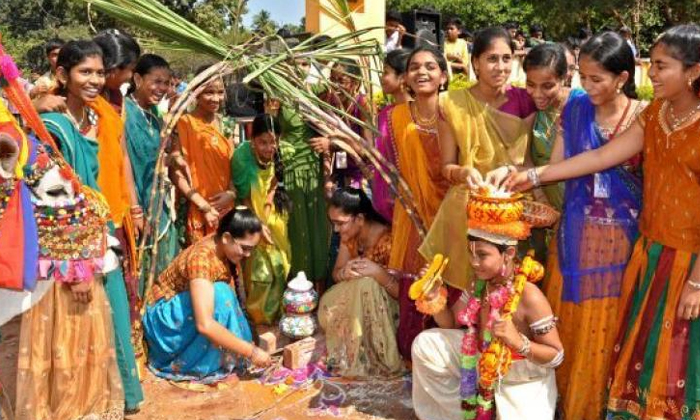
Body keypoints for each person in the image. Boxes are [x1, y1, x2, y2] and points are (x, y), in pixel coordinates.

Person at [505, 24, 700, 420]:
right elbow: (601, 157)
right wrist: (535, 176)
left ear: (693, 71)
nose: (653, 73)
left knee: (680, 358)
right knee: (641, 352)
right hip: (649, 251)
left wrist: (697, 279)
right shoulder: (657, 115)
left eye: (662, 66)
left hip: (688, 261)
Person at [524, 33, 645, 420]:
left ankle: (596, 409)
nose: (587, 87)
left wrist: (530, 176)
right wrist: (529, 180)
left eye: (597, 79)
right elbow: (558, 166)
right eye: (582, 77)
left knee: (607, 329)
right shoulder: (575, 112)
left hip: (620, 244)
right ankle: (564, 405)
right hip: (574, 239)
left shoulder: (643, 117)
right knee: (571, 325)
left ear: (622, 78)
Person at [39, 39, 144, 414]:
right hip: (71, 251)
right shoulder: (53, 126)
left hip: (101, 237)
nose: (96, 80)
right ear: (62, 75)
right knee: (77, 337)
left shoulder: (96, 118)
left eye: (100, 72)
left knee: (114, 323)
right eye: (85, 72)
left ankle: (119, 399)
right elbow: (52, 204)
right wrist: (77, 267)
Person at [412, 191, 563, 420]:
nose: (474, 262)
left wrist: (518, 342)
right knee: (427, 344)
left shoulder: (530, 296)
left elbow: (556, 356)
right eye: (470, 253)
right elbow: (452, 322)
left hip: (521, 379)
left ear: (508, 254)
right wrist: (434, 296)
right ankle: (465, 413)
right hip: (479, 360)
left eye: (482, 255)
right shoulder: (478, 284)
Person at [420, 26, 536, 293]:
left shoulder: (523, 101)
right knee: (467, 295)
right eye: (492, 59)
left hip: (509, 207)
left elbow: (527, 164)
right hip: (467, 209)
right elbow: (447, 165)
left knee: (508, 295)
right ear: (475, 63)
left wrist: (508, 169)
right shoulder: (451, 103)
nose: (500, 67)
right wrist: (463, 174)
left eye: (507, 58)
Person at [379, 46, 454, 359]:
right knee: (416, 283)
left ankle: (453, 359)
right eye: (414, 67)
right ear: (406, 78)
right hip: (411, 216)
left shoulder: (456, 114)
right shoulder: (393, 117)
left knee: (452, 283)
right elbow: (386, 171)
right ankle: (416, 360)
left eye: (430, 66)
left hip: (451, 213)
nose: (422, 72)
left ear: (443, 75)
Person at [143, 207, 271, 383]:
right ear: (226, 238)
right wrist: (251, 352)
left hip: (186, 313)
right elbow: (204, 324)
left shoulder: (222, 245)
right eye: (245, 248)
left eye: (252, 249)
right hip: (165, 325)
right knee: (220, 294)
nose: (248, 255)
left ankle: (223, 357)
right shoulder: (201, 259)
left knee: (221, 293)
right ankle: (199, 364)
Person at [318, 188, 403, 378]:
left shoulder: (389, 240)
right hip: (353, 308)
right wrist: (344, 272)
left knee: (367, 284)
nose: (336, 230)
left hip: (388, 312)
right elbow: (336, 274)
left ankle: (373, 355)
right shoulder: (349, 237)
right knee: (354, 288)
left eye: (340, 223)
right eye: (333, 224)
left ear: (360, 219)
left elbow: (402, 294)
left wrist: (378, 274)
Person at [124, 54, 181, 291]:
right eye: (156, 81)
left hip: (159, 205)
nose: (162, 88)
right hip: (136, 204)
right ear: (137, 79)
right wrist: (135, 210)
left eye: (166, 83)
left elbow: (157, 160)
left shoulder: (155, 117)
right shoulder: (124, 113)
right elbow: (123, 162)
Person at [231, 114, 291, 325]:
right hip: (250, 214)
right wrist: (259, 224)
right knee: (260, 271)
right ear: (252, 139)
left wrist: (267, 216)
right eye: (263, 142)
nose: (269, 148)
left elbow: (273, 186)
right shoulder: (241, 157)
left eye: (273, 142)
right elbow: (245, 197)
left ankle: (277, 315)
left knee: (281, 261)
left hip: (272, 210)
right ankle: (259, 319)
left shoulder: (284, 153)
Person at [278, 60, 330, 290]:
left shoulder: (317, 92)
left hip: (311, 164)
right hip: (290, 166)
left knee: (316, 223)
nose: (299, 68)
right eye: (292, 63)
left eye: (303, 64)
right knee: (295, 224)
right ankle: (297, 283)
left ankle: (319, 281)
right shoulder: (276, 92)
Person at [172, 66, 236, 245]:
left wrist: (231, 193)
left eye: (220, 92)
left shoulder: (227, 125)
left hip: (225, 206)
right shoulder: (184, 124)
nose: (216, 98)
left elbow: (233, 165)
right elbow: (176, 173)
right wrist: (203, 205)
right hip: (196, 207)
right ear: (196, 92)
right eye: (209, 92)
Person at [525, 44, 571, 211]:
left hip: (579, 208)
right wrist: (540, 197)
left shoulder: (580, 105)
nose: (537, 94)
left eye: (547, 86)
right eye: (530, 84)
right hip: (543, 206)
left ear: (564, 78)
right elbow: (527, 156)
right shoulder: (528, 106)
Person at [373, 48, 411, 222]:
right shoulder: (385, 113)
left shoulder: (417, 113)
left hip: (408, 200)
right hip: (386, 200)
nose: (382, 77)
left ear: (403, 77)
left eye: (386, 72)